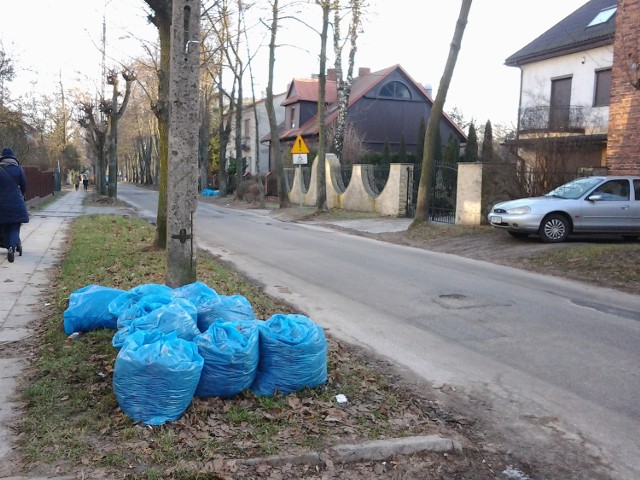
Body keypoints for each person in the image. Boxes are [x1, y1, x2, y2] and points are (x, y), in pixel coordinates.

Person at [0, 147, 29, 263]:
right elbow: (24, 186)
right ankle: (12, 247)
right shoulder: (19, 169)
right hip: (16, 202)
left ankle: (8, 246)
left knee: (5, 226)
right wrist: (19, 196)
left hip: (1, 204)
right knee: (15, 226)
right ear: (13, 157)